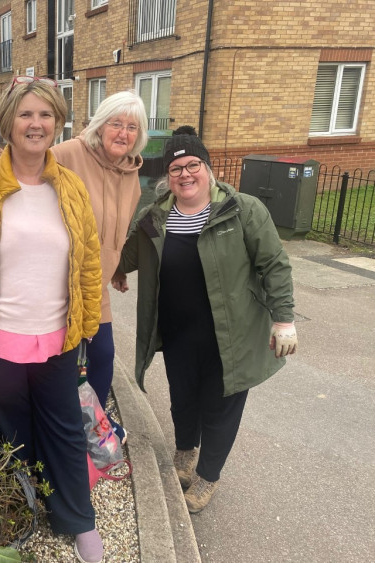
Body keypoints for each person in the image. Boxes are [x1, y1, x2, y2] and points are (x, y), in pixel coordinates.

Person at [0, 76, 105, 563]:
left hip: (56, 338)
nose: (36, 124)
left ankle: (77, 518)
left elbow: (88, 262)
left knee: (65, 429)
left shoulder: (69, 187)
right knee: (11, 432)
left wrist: (88, 325)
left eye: (46, 115)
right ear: (8, 122)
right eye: (26, 115)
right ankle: (23, 507)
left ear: (58, 122)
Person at [117, 129, 298, 513]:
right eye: (176, 167)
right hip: (179, 333)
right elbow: (128, 253)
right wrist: (115, 270)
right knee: (183, 400)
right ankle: (185, 451)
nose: (185, 174)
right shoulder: (157, 215)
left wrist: (284, 320)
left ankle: (209, 476)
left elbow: (275, 265)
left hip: (230, 336)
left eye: (193, 165)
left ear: (208, 169)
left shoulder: (242, 209)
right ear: (167, 175)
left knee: (220, 408)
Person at [0, 90, 148, 443]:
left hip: (94, 280)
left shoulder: (132, 175)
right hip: (58, 281)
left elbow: (118, 230)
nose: (122, 133)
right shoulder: (69, 155)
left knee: (103, 355)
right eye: (115, 124)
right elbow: (24, 152)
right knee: (75, 358)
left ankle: (94, 424)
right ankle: (66, 426)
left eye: (132, 127)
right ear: (100, 125)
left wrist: (119, 267)